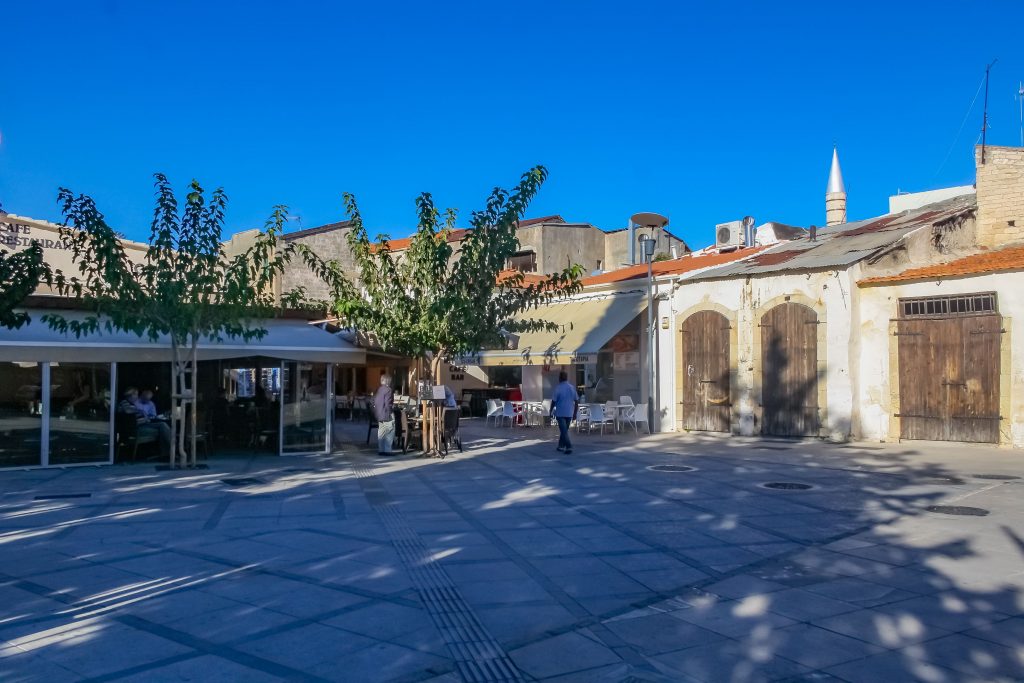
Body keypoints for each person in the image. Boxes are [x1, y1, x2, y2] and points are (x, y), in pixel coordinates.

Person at [118, 387, 171, 457]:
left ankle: (167, 452)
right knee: (162, 428)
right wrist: (141, 412)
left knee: (162, 424)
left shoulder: (132, 404)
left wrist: (144, 417)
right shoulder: (124, 402)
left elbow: (136, 415)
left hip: (143, 424)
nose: (137, 397)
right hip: (136, 429)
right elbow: (128, 411)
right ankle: (170, 450)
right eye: (136, 395)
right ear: (131, 395)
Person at [550, 371, 579, 455]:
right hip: (569, 413)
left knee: (564, 431)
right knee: (564, 430)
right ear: (566, 378)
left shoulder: (558, 388)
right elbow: (576, 401)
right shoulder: (571, 387)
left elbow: (553, 401)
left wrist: (550, 411)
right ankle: (560, 446)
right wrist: (575, 413)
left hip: (560, 413)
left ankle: (569, 446)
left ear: (560, 378)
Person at [374, 374, 396, 456]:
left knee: (381, 432)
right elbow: (387, 403)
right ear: (388, 381)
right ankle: (387, 450)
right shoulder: (388, 390)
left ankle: (381, 450)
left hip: (379, 414)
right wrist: (390, 411)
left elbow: (374, 401)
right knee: (390, 431)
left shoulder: (379, 389)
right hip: (387, 414)